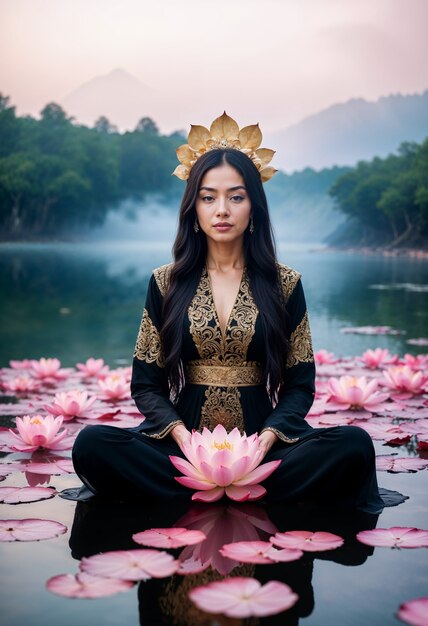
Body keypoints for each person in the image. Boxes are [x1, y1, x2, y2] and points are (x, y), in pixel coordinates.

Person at [65, 112, 396, 514]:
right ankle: (231, 492)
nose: (222, 209)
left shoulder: (285, 284)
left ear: (254, 207)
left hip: (263, 450)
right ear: (194, 208)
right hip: (182, 451)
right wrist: (183, 438)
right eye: (208, 197)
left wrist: (268, 440)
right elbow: (146, 385)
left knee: (352, 445)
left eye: (236, 197)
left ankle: (228, 488)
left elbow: (300, 386)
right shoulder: (165, 283)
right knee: (92, 443)